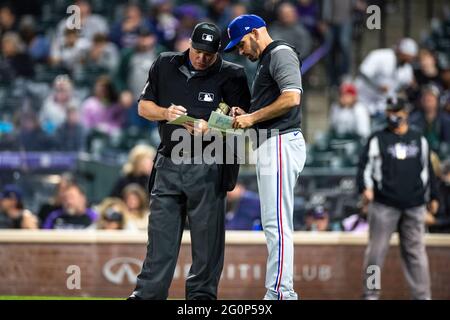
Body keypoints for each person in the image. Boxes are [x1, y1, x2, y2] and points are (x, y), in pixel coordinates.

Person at [128, 22, 251, 300]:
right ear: (189, 44)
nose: (202, 58)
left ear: (219, 52)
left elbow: (242, 121)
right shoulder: (164, 64)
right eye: (198, 51)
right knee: (160, 238)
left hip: (209, 163)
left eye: (209, 54)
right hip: (169, 161)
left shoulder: (233, 75)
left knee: (207, 244)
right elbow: (143, 107)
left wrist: (213, 126)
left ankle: (201, 300)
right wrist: (166, 113)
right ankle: (147, 295)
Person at [225, 14, 306, 300]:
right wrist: (246, 115)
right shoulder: (266, 60)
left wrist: (252, 118)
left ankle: (282, 294)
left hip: (281, 142)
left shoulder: (280, 53)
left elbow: (291, 97)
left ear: (256, 33)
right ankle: (280, 291)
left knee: (277, 225)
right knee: (273, 224)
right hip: (271, 143)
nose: (240, 50)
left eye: (241, 43)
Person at [357, 97, 439, 300]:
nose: (394, 115)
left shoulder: (419, 139)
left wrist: (433, 197)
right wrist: (364, 188)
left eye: (398, 111)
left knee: (417, 255)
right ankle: (370, 294)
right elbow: (363, 167)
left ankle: (422, 296)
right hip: (384, 204)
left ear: (406, 113)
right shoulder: (378, 138)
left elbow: (427, 170)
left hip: (414, 205)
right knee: (375, 253)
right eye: (390, 111)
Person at [355, 38, 418, 118]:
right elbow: (363, 73)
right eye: (407, 56)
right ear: (400, 52)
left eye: (411, 57)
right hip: (363, 98)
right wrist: (377, 86)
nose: (409, 59)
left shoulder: (407, 69)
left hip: (382, 104)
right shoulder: (381, 55)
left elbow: (403, 88)